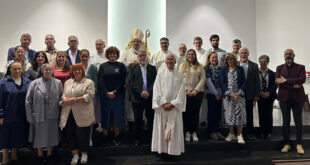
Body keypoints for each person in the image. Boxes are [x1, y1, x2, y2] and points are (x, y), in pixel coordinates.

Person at [25, 64, 63, 164]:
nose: (48, 71)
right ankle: (40, 156)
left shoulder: (58, 82)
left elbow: (61, 98)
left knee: (51, 135)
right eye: (46, 70)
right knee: (39, 136)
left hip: (53, 113)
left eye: (50, 70)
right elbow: (28, 101)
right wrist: (30, 117)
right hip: (39, 114)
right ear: (42, 71)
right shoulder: (34, 83)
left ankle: (50, 155)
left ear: (52, 71)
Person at [152, 54, 186, 161]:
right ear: (165, 61)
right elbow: (156, 90)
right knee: (162, 130)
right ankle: (162, 151)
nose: (170, 61)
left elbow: (182, 93)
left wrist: (173, 103)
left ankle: (173, 152)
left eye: (172, 59)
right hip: (162, 108)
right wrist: (163, 103)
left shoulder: (180, 75)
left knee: (173, 130)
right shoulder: (160, 74)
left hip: (174, 108)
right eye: (168, 59)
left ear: (175, 61)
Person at [59, 64, 95, 165]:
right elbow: (64, 94)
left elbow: (89, 96)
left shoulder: (89, 82)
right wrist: (64, 98)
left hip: (83, 114)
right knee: (71, 135)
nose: (77, 72)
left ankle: (84, 155)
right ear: (72, 72)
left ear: (82, 71)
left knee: (83, 135)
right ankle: (75, 155)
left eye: (79, 70)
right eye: (75, 70)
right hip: (68, 114)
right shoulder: (68, 82)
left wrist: (74, 100)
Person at [275, 49, 306, 155]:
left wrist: (286, 80)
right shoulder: (279, 68)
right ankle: (287, 143)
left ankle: (299, 144)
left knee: (298, 122)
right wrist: (293, 84)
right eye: (286, 54)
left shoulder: (301, 67)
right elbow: (279, 82)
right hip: (284, 98)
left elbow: (302, 79)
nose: (288, 56)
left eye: (290, 54)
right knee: (285, 122)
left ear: (294, 55)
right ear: (284, 56)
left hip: (298, 98)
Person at [0, 62, 30, 165]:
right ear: (10, 70)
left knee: (16, 135)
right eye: (14, 69)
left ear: (22, 70)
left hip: (21, 114)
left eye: (19, 69)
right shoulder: (3, 82)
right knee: (4, 135)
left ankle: (14, 156)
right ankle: (5, 157)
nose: (17, 71)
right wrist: (1, 114)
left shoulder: (26, 81)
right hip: (7, 114)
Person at [127, 50, 157, 146]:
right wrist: (141, 92)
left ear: (147, 57)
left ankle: (150, 138)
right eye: (140, 56)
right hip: (137, 98)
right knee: (138, 120)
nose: (142, 57)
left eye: (144, 55)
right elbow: (130, 82)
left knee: (151, 119)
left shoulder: (152, 68)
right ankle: (137, 139)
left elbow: (155, 82)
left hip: (149, 97)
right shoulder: (132, 67)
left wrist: (148, 92)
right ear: (138, 57)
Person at [98, 46, 127, 146]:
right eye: (110, 54)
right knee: (105, 115)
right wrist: (107, 92)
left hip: (118, 95)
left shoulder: (121, 66)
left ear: (117, 55)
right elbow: (100, 81)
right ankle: (105, 138)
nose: (112, 55)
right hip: (105, 95)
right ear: (107, 55)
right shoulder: (102, 66)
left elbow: (123, 80)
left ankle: (117, 137)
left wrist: (115, 92)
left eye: (114, 54)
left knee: (117, 116)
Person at [179, 49, 206, 142]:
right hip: (185, 93)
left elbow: (203, 79)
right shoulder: (182, 66)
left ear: (195, 56)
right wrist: (186, 90)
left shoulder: (200, 66)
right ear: (187, 56)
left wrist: (196, 90)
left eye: (192, 54)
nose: (191, 56)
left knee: (195, 113)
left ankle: (194, 132)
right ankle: (187, 132)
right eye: (189, 54)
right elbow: (180, 79)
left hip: (197, 94)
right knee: (186, 114)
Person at [220, 53, 246, 144]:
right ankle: (231, 134)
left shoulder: (240, 69)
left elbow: (244, 82)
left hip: (239, 95)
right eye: (228, 59)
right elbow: (222, 83)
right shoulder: (223, 70)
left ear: (234, 60)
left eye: (231, 59)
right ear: (226, 61)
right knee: (229, 115)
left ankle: (239, 135)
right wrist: (229, 93)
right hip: (228, 96)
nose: (230, 61)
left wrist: (239, 92)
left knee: (239, 115)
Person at [239, 47, 260, 140]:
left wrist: (256, 95)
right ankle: (239, 133)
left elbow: (257, 81)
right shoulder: (235, 64)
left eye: (245, 53)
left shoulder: (254, 66)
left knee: (249, 114)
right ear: (239, 54)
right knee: (238, 114)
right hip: (238, 93)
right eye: (242, 53)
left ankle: (250, 133)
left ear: (248, 54)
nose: (243, 54)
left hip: (250, 93)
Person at [79, 49, 98, 146]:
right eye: (82, 56)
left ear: (89, 57)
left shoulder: (93, 68)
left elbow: (96, 83)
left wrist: (91, 95)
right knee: (79, 117)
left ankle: (89, 137)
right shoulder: (76, 67)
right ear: (80, 57)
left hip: (91, 97)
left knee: (89, 117)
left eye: (86, 56)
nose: (84, 58)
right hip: (79, 97)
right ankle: (81, 138)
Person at [205, 52, 225, 140]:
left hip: (219, 94)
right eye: (212, 57)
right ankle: (211, 132)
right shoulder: (206, 68)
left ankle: (217, 131)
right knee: (211, 114)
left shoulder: (221, 69)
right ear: (209, 59)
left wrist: (220, 93)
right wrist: (216, 93)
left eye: (216, 57)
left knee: (218, 113)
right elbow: (208, 82)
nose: (214, 59)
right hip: (211, 93)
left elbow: (222, 82)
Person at [257, 55, 277, 139]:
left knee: (269, 114)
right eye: (261, 61)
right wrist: (260, 92)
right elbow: (254, 83)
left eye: (264, 61)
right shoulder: (256, 73)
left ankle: (268, 131)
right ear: (259, 62)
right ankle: (262, 131)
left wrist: (269, 92)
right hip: (260, 96)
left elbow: (275, 85)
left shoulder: (272, 73)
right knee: (261, 114)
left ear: (268, 62)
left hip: (269, 96)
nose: (263, 62)